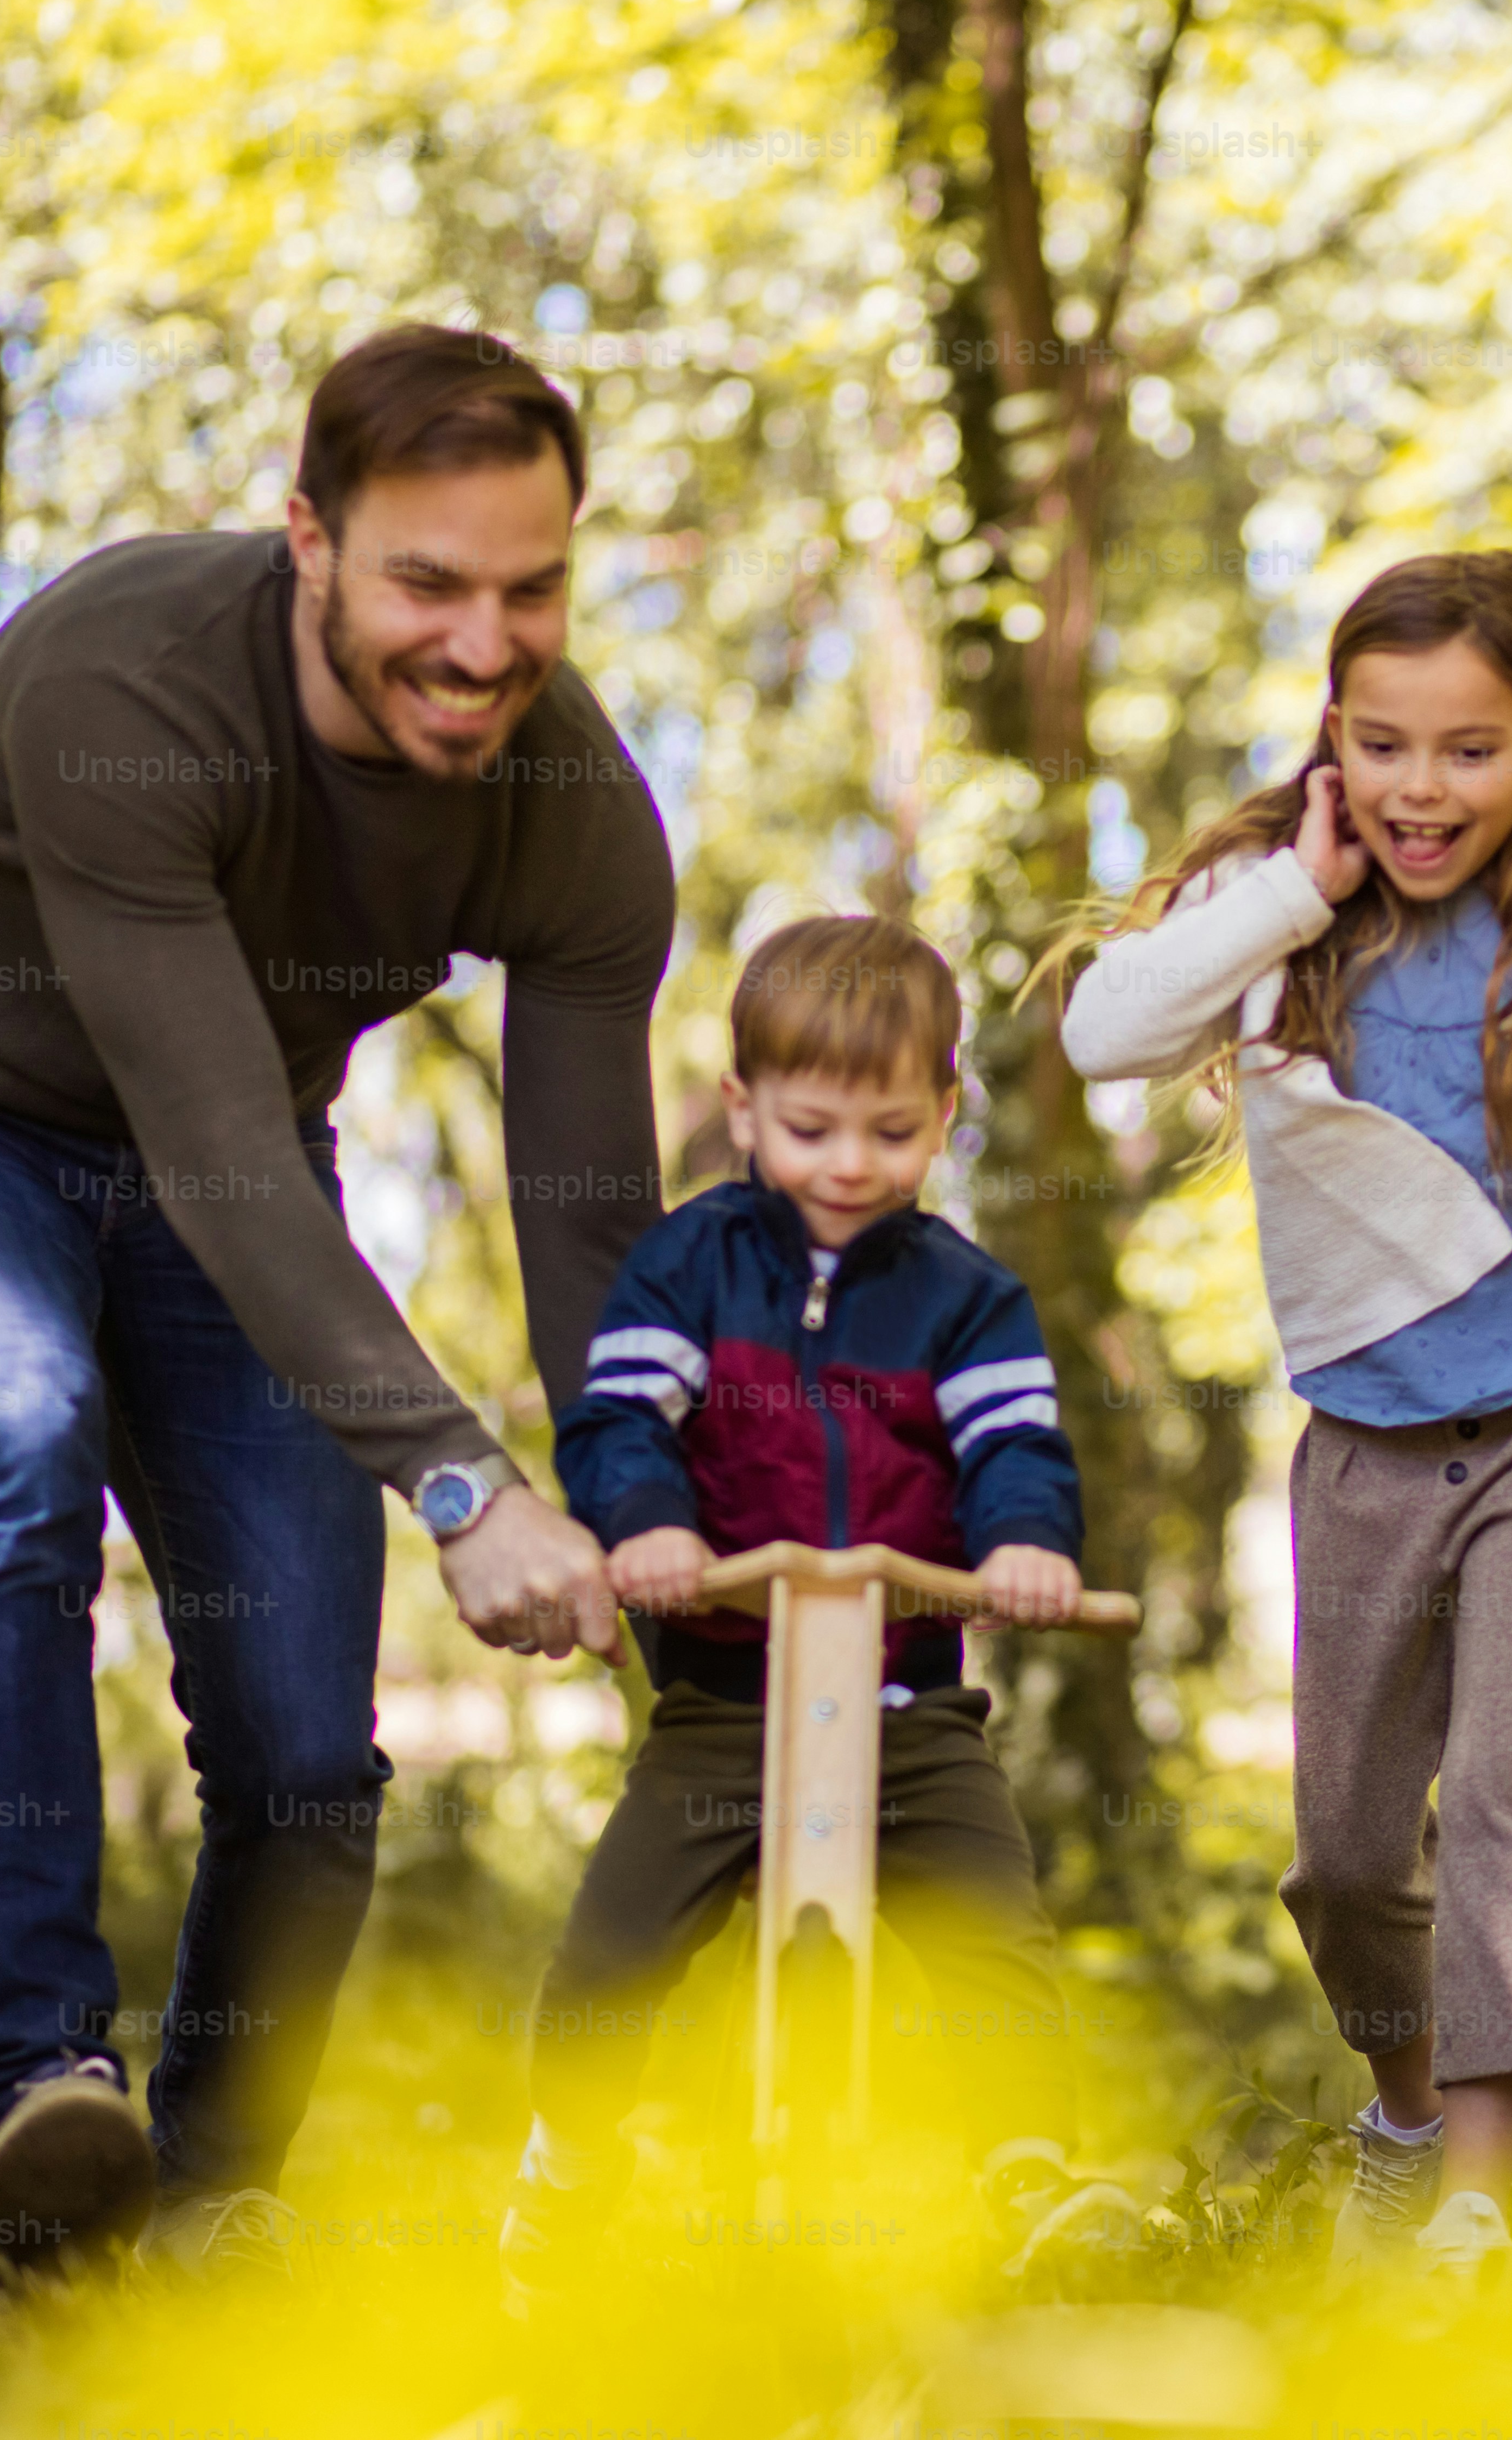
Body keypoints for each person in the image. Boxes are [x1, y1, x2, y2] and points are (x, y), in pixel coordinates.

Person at [0, 325, 674, 2278]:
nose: (480, 640)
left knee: (300, 1739)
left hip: (232, 1174)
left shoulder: (573, 807)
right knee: (17, 1446)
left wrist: (648, 1496)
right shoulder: (128, 682)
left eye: (531, 587)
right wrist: (461, 1484)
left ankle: (211, 2187)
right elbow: (210, 1150)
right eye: (427, 582)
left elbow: (591, 1217)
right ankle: (39, 2082)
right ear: (310, 544)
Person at [1056, 550, 1512, 2280]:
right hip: (1370, 1440)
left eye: (1467, 749)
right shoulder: (1282, 905)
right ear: (1334, 740)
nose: (1419, 788)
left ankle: (1477, 2198)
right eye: (1382, 743)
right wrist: (1291, 891)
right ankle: (1402, 2114)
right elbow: (1107, 1029)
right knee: (1342, 1848)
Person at [501, 912, 1114, 2291]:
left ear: (945, 1114)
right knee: (615, 1949)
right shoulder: (688, 1266)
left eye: (892, 1133)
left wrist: (1026, 1545)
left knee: (989, 1931)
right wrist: (647, 1526)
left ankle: (1023, 2170)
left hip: (911, 1702)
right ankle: (569, 2169)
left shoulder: (967, 1296)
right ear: (742, 1109)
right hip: (726, 1692)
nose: (851, 1165)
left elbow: (1013, 1443)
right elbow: (618, 1422)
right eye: (813, 1127)